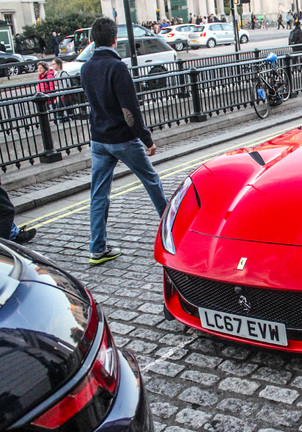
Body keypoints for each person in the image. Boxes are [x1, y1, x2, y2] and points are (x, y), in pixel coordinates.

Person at [80, 18, 167, 265]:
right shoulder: (117, 68)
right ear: (115, 39)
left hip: (98, 140)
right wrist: (147, 139)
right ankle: (172, 229)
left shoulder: (86, 68)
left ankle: (97, 248)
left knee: (98, 194)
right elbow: (130, 111)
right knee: (151, 181)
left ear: (93, 40)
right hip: (123, 139)